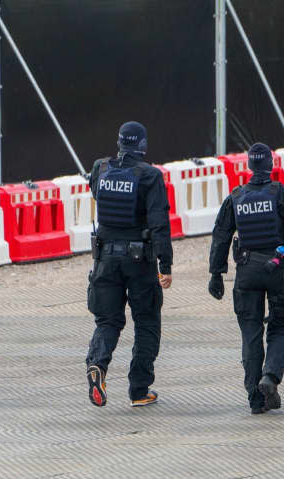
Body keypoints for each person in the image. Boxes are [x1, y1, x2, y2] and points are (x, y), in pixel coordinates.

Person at [208, 143, 284, 415]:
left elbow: (221, 235)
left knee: (250, 333)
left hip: (246, 272)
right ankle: (269, 377)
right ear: (271, 165)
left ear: (249, 166)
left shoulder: (235, 198)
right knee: (279, 326)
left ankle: (255, 399)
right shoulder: (282, 195)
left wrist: (216, 274)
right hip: (278, 270)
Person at [86, 121, 173, 408]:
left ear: (120, 142)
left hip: (104, 260)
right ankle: (139, 390)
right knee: (147, 322)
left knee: (108, 321)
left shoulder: (101, 168)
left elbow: (96, 192)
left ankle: (97, 364)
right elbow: (160, 224)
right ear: (143, 145)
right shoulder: (149, 176)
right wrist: (166, 265)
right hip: (139, 262)